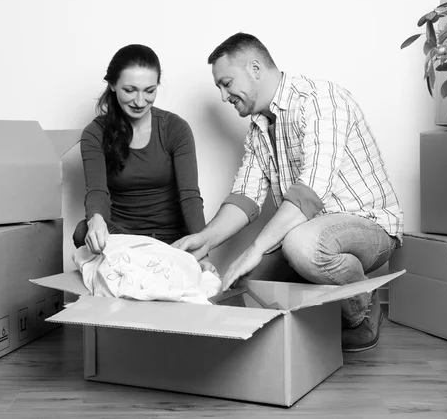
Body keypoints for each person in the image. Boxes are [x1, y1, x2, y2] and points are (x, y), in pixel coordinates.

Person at [172, 33, 404, 352]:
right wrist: (206, 239)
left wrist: (255, 249)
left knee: (302, 245)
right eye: (219, 88)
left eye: (226, 83)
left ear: (255, 68)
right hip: (309, 231)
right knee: (247, 285)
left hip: (368, 228)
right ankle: (325, 304)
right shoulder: (259, 130)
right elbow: (245, 198)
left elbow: (311, 190)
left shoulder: (321, 99)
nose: (224, 96)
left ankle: (362, 313)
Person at [74, 44, 214, 272]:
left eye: (149, 91)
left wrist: (203, 253)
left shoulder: (175, 128)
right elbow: (97, 192)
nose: (140, 101)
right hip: (123, 240)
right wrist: (96, 219)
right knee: (83, 231)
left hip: (171, 240)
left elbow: (189, 197)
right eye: (130, 90)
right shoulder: (94, 133)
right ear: (112, 85)